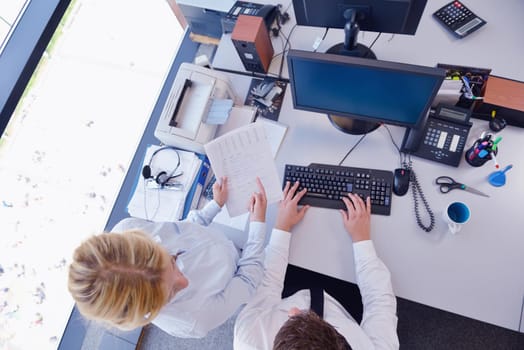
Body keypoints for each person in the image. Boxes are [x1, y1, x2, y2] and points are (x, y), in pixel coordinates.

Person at [68, 177, 269, 338]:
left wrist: (214, 206)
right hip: (249, 271)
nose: (185, 281)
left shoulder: (129, 229)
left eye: (173, 258)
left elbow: (181, 229)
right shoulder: (194, 321)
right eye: (171, 293)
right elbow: (248, 281)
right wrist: (258, 223)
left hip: (230, 242)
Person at [234, 181, 399, 349]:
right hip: (343, 306)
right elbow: (379, 302)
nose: (293, 311)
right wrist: (362, 239)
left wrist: (282, 226)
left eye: (291, 320)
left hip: (289, 291)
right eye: (302, 317)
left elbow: (267, 284)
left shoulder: (249, 336)